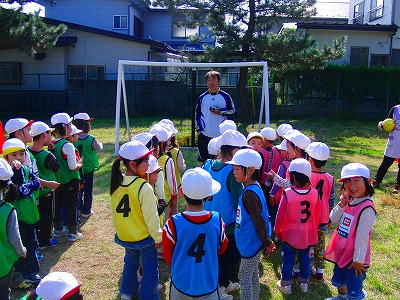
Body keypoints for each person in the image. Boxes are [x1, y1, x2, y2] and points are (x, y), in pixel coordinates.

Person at [163, 167, 229, 300]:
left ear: (182, 192)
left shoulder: (172, 223)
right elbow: (222, 247)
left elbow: (168, 255)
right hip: (208, 284)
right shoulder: (217, 220)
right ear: (209, 195)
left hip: (181, 284)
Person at [110, 140, 162, 300]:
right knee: (150, 268)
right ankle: (149, 296)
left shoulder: (116, 183)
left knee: (130, 264)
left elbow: (114, 214)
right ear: (133, 164)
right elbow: (152, 217)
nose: (148, 164)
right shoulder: (143, 186)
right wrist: (158, 236)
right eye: (146, 161)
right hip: (144, 237)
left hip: (125, 236)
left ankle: (127, 292)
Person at [203, 129, 247, 300]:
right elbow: (239, 201)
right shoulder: (233, 172)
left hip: (208, 220)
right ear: (232, 150)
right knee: (230, 254)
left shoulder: (208, 164)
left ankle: (224, 282)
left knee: (216, 255)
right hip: (226, 226)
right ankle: (218, 286)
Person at [227, 149, 276, 300]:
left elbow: (259, 221)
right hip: (252, 243)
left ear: (251, 170)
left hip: (252, 244)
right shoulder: (253, 187)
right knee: (253, 275)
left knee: (244, 276)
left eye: (237, 169)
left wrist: (267, 242)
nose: (234, 172)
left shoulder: (249, 194)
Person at [324, 163, 376, 300]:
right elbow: (333, 219)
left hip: (355, 259)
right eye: (347, 181)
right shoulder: (350, 200)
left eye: (356, 181)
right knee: (340, 280)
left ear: (368, 181)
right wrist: (341, 204)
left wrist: (358, 261)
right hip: (342, 251)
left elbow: (362, 237)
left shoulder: (367, 208)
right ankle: (342, 298)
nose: (351, 185)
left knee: (354, 287)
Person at [274, 158, 320, 295]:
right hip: (307, 234)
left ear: (292, 176)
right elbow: (316, 215)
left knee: (288, 258)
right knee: (305, 258)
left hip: (290, 234)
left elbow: (280, 216)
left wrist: (277, 231)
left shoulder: (288, 194)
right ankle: (304, 282)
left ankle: (286, 284)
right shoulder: (315, 193)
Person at [2, 139, 41, 284]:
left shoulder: (25, 169)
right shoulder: (7, 175)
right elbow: (18, 191)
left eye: (21, 154)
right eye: (13, 155)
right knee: (20, 246)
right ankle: (23, 273)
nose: (18, 158)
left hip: (29, 215)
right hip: (18, 217)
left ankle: (33, 271)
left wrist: (28, 186)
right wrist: (25, 184)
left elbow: (36, 182)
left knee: (32, 244)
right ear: (5, 158)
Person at [50, 113, 83, 242]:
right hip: (71, 180)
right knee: (71, 205)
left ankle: (58, 230)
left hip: (58, 181)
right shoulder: (67, 145)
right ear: (64, 127)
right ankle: (72, 232)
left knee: (58, 205)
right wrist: (80, 164)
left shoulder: (52, 143)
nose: (71, 127)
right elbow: (72, 166)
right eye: (69, 124)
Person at [306, 142, 335, 281]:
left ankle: (301, 266)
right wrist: (329, 217)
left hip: (308, 217)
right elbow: (331, 199)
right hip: (323, 218)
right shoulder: (330, 178)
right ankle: (319, 271)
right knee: (320, 243)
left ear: (310, 160)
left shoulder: (305, 176)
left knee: (306, 242)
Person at [29, 121, 60, 250]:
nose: (51, 137)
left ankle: (38, 238)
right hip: (47, 191)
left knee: (37, 217)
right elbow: (56, 169)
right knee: (47, 217)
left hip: (35, 193)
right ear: (43, 135)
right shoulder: (47, 155)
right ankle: (45, 241)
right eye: (49, 133)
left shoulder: (27, 152)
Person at [0, 158, 27, 300]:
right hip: (2, 265)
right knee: (3, 292)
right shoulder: (8, 211)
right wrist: (21, 251)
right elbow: (14, 238)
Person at [195, 70, 236, 162]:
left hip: (220, 135)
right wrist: (198, 130)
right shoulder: (202, 97)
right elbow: (197, 114)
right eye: (209, 80)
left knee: (221, 161)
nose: (211, 82)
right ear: (206, 82)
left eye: (213, 79)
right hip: (205, 134)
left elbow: (233, 110)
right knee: (205, 161)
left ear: (218, 81)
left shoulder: (225, 96)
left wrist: (220, 111)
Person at [73, 112, 103, 217]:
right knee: (88, 190)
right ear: (87, 125)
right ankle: (87, 210)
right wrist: (101, 144)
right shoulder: (91, 138)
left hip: (77, 168)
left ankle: (79, 208)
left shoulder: (73, 138)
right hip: (88, 168)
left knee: (79, 189)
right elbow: (98, 148)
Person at [372, 105, 400, 193]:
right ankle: (376, 181)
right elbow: (387, 121)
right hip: (394, 141)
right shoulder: (395, 109)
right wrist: (381, 124)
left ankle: (397, 185)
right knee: (386, 163)